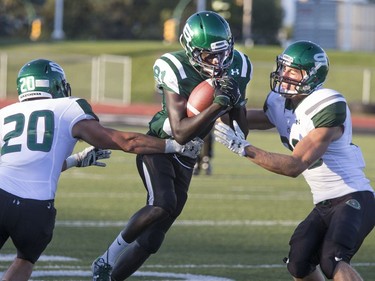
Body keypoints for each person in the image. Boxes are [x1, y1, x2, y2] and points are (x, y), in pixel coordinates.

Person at [0, 58, 202, 281]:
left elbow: (25, 165)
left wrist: (76, 159)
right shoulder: (68, 106)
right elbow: (127, 142)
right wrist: (173, 145)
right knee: (24, 261)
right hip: (35, 209)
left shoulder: (4, 114)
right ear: (55, 84)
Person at [92, 10, 253, 281]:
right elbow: (179, 132)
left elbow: (241, 128)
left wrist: (235, 101)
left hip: (188, 156)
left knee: (154, 239)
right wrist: (219, 103)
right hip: (158, 145)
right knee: (162, 204)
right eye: (209, 55)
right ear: (191, 51)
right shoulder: (174, 66)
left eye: (223, 53)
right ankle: (106, 258)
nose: (218, 61)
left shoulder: (238, 65)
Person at [214, 40, 375, 281]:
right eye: (283, 68)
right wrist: (217, 111)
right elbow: (257, 120)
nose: (283, 75)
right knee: (299, 263)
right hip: (324, 202)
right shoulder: (280, 102)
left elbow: (295, 165)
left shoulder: (327, 105)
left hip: (353, 196)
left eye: (292, 71)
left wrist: (242, 147)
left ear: (312, 76)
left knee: (333, 260)